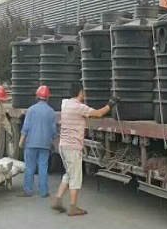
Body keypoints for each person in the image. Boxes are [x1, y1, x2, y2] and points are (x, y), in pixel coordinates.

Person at [51, 83, 120, 216]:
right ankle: (73, 207)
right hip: (73, 147)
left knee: (69, 174)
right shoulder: (78, 107)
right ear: (80, 92)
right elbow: (99, 113)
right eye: (83, 92)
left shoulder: (65, 104)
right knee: (75, 177)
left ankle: (57, 199)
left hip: (63, 146)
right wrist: (111, 104)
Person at [17, 86, 57, 198]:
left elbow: (26, 128)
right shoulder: (51, 112)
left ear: (37, 96)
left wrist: (21, 142)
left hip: (31, 144)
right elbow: (54, 131)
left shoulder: (31, 110)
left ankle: (28, 190)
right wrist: (52, 142)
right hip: (45, 145)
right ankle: (44, 192)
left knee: (30, 167)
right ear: (48, 98)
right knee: (43, 168)